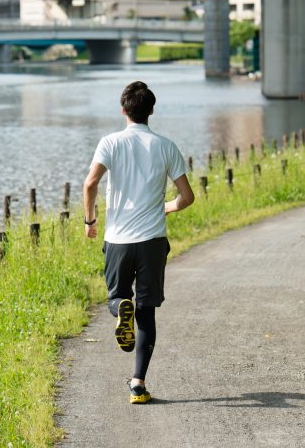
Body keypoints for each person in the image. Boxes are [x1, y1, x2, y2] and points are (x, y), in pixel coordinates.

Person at [83, 81, 195, 404]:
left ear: (123, 110)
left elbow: (90, 184)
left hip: (117, 240)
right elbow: (187, 196)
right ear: (151, 111)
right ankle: (137, 384)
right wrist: (168, 207)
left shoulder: (110, 143)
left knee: (116, 297)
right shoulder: (166, 146)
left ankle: (121, 308)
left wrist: (90, 221)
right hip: (152, 242)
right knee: (147, 314)